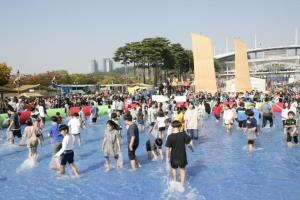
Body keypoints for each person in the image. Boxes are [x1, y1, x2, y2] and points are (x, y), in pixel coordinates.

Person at [165, 120, 193, 189]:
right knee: (182, 169)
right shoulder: (183, 134)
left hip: (173, 157)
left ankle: (174, 181)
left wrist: (167, 157)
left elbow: (167, 149)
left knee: (174, 169)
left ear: (172, 126)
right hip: (182, 156)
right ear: (180, 126)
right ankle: (182, 185)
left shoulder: (170, 136)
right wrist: (190, 147)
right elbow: (190, 141)